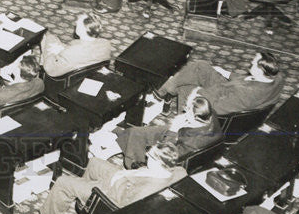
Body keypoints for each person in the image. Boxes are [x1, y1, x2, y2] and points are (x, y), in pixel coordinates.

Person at [39, 142, 186, 214]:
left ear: (160, 163)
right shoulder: (178, 170)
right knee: (95, 162)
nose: (147, 155)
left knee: (63, 183)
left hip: (111, 196)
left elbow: (123, 204)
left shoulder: (147, 189)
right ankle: (84, 198)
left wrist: (118, 178)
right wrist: (124, 175)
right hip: (127, 180)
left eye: (151, 156)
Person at [153, 51, 285, 117]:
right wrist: (225, 73)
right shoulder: (277, 77)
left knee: (186, 86)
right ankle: (165, 90)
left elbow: (218, 108)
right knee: (201, 66)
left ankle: (182, 116)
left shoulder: (246, 95)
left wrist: (198, 93)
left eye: (253, 63)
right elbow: (246, 80)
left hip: (218, 99)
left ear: (260, 70)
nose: (250, 63)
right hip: (228, 88)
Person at [115, 94, 221, 169]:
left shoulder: (193, 143)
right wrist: (188, 120)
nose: (185, 110)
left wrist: (174, 130)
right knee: (135, 133)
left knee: (134, 136)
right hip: (186, 130)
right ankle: (128, 138)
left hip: (175, 143)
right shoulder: (210, 114)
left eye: (188, 109)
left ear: (195, 117)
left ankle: (136, 167)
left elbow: (169, 154)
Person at [40, 13, 113, 78]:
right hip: (89, 73)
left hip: (66, 77)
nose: (75, 23)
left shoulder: (70, 53)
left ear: (81, 30)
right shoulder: (106, 44)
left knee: (47, 38)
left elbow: (50, 70)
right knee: (53, 39)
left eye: (77, 23)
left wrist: (53, 53)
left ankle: (41, 76)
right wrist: (63, 49)